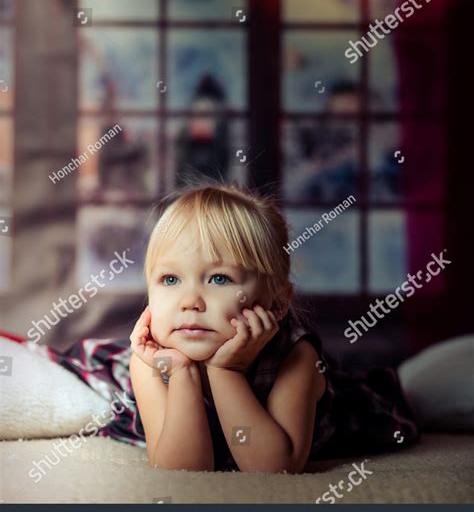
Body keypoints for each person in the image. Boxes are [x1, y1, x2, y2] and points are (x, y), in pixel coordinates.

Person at [34, 183, 474, 473]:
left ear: (277, 300)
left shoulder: (296, 359)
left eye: (219, 278)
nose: (190, 300)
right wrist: (183, 373)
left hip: (334, 403)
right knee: (66, 370)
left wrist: (225, 374)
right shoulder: (151, 362)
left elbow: (272, 470)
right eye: (170, 280)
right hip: (151, 374)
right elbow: (182, 470)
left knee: (409, 396)